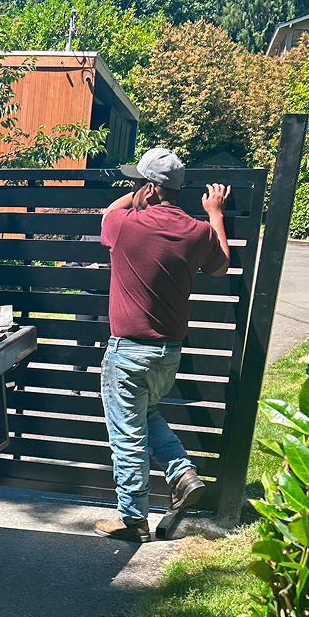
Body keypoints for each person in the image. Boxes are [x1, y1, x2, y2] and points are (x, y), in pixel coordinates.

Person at [94, 147, 230, 542]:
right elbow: (221, 265)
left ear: (150, 189)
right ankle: (182, 473)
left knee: (127, 437)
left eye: (137, 183)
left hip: (128, 352)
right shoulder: (197, 231)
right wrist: (215, 213)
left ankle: (132, 519)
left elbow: (107, 213)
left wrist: (136, 195)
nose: (132, 190)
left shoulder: (125, 225)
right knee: (146, 415)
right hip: (168, 354)